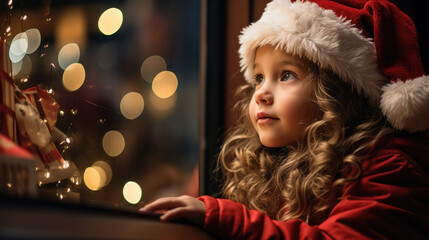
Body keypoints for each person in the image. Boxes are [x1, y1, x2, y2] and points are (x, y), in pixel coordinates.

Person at [140, 0, 429, 239]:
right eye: (259, 77)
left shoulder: (391, 169)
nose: (261, 93)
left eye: (286, 75)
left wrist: (224, 217)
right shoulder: (282, 164)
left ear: (337, 93)